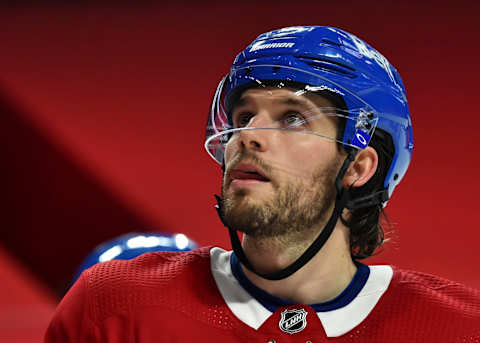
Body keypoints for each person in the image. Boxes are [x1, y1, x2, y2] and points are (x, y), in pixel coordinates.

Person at [45, 26, 480, 342]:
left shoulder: (461, 328)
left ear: (359, 167)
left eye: (293, 118)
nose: (247, 135)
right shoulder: (112, 309)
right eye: (243, 117)